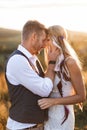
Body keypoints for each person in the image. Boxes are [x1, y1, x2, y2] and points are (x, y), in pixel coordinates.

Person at [5, 20, 59, 130]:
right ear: (34, 37)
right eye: (43, 40)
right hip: (22, 127)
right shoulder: (17, 60)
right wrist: (52, 63)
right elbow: (44, 89)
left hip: (35, 126)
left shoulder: (33, 59)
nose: (45, 45)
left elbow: (44, 81)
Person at [38, 25, 86, 130]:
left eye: (48, 40)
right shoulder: (52, 61)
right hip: (48, 117)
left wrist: (53, 101)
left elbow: (81, 96)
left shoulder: (70, 62)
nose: (45, 44)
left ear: (56, 40)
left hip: (63, 118)